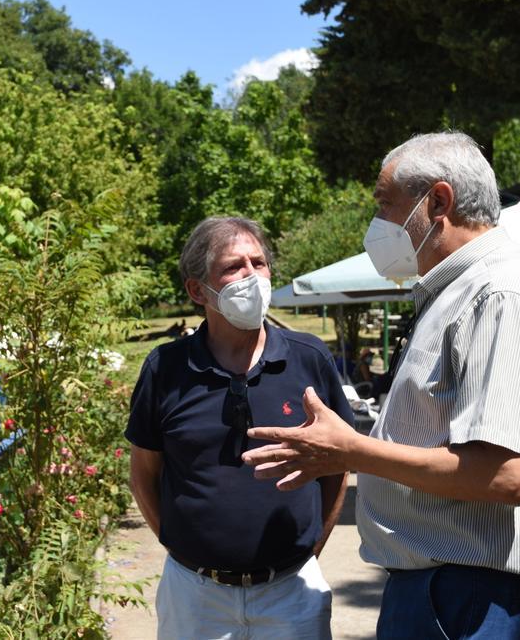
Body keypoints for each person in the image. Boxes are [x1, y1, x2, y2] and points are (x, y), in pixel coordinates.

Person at [242, 132, 520, 639]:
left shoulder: (503, 295)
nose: (377, 223)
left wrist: (352, 451)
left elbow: (508, 476)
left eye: (385, 204)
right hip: (446, 593)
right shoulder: (465, 291)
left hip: (468, 600)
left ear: (439, 202)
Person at [126, 216, 353, 639]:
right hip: (194, 597)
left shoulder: (309, 359)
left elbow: (339, 468)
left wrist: (309, 554)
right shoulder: (164, 368)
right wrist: (183, 549)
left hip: (292, 594)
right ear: (198, 290)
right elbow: (144, 475)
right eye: (233, 267)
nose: (251, 276)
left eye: (259, 263)